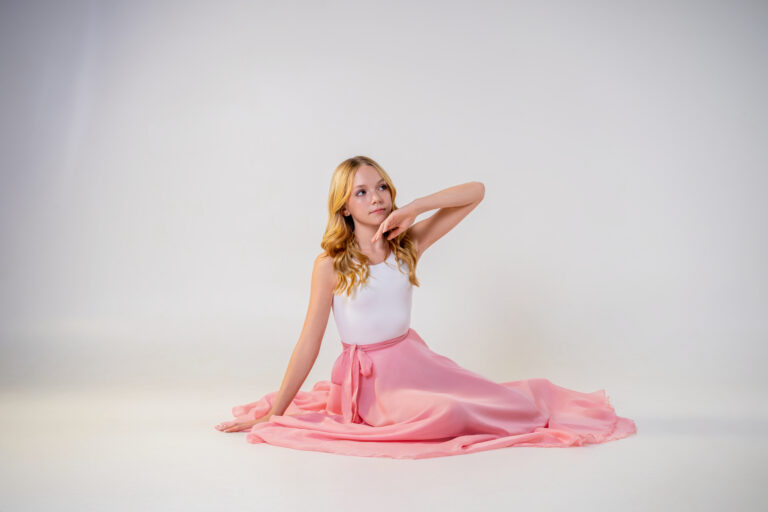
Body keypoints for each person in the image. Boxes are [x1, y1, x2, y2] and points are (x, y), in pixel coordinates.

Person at [214, 155, 637, 459]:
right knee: (449, 411)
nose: (375, 197)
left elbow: (476, 192)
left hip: (416, 361)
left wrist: (414, 209)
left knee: (513, 403)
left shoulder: (407, 246)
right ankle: (392, 408)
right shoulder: (330, 265)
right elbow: (309, 340)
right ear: (345, 206)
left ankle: (496, 405)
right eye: (361, 192)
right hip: (372, 383)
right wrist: (275, 412)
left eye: (381, 186)